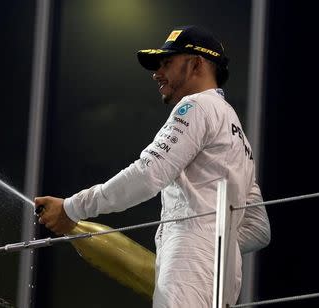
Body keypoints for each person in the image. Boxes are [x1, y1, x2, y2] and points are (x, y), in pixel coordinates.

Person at [34, 25, 271, 308]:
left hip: (189, 266)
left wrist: (72, 208)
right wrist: (217, 245)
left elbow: (148, 174)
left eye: (167, 63)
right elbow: (258, 228)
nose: (157, 73)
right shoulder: (239, 138)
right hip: (223, 280)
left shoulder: (196, 107)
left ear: (197, 64)